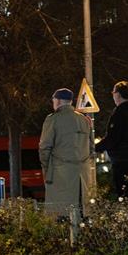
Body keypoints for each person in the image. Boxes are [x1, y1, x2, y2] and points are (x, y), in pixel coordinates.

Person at [39, 88, 94, 217]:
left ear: (57, 101)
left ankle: (65, 235)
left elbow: (44, 147)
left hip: (60, 173)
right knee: (82, 210)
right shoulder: (84, 120)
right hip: (83, 175)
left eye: (53, 100)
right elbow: (91, 147)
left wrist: (46, 168)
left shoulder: (53, 119)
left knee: (61, 211)